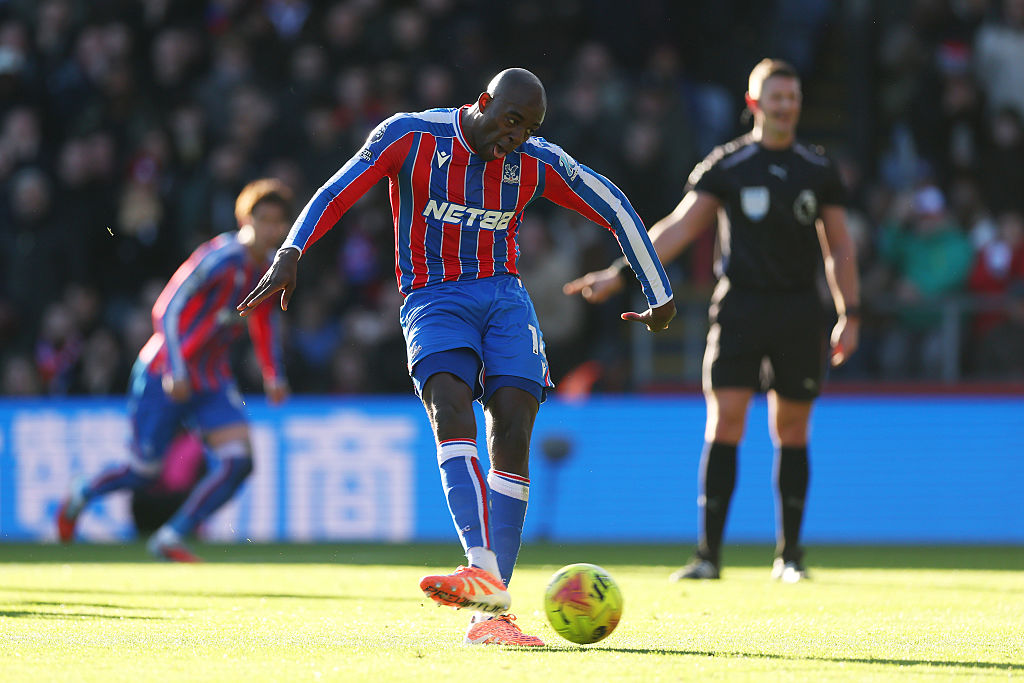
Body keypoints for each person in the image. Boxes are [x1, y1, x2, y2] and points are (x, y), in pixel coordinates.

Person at [237, 68, 675, 645]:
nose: (517, 137)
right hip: (433, 296)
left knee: (514, 421)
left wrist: (659, 290)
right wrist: (292, 250)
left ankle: (489, 607)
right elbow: (336, 190)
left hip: (504, 295)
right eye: (512, 121)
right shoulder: (411, 137)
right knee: (450, 403)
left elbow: (614, 206)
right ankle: (481, 569)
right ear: (484, 103)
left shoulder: (536, 162)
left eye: (531, 128)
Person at [565, 58, 860, 583]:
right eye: (777, 97)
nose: (786, 106)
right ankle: (708, 557)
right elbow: (680, 227)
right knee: (725, 421)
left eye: (793, 98)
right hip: (740, 307)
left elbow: (838, 245)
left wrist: (848, 312)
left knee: (791, 428)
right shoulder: (727, 166)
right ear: (755, 104)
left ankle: (789, 557)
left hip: (798, 310)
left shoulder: (817, 169)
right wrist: (619, 271)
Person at [56, 178, 292, 562]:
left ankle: (171, 536)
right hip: (164, 370)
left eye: (278, 222)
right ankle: (82, 492)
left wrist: (273, 373)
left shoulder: (267, 269)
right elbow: (167, 308)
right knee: (144, 471)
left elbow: (262, 321)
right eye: (263, 219)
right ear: (244, 219)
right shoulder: (218, 257)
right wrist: (177, 369)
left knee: (239, 462)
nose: (271, 229)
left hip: (211, 378)